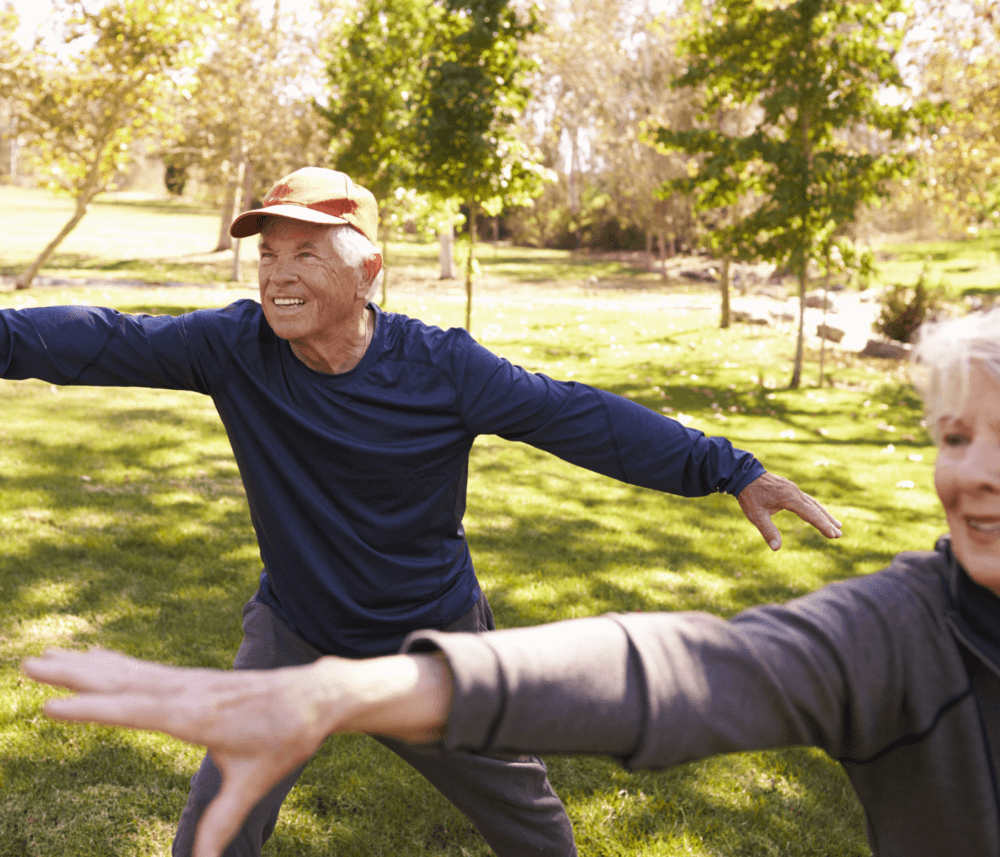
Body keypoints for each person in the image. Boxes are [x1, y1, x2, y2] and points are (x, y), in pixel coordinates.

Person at [7, 166, 840, 857]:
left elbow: (576, 416)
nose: (277, 274)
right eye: (267, 254)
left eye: (305, 253)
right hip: (294, 628)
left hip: (430, 640)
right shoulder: (235, 347)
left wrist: (728, 470)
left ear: (369, 272)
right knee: (214, 832)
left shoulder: (443, 369)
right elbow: (105, 338)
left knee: (534, 828)